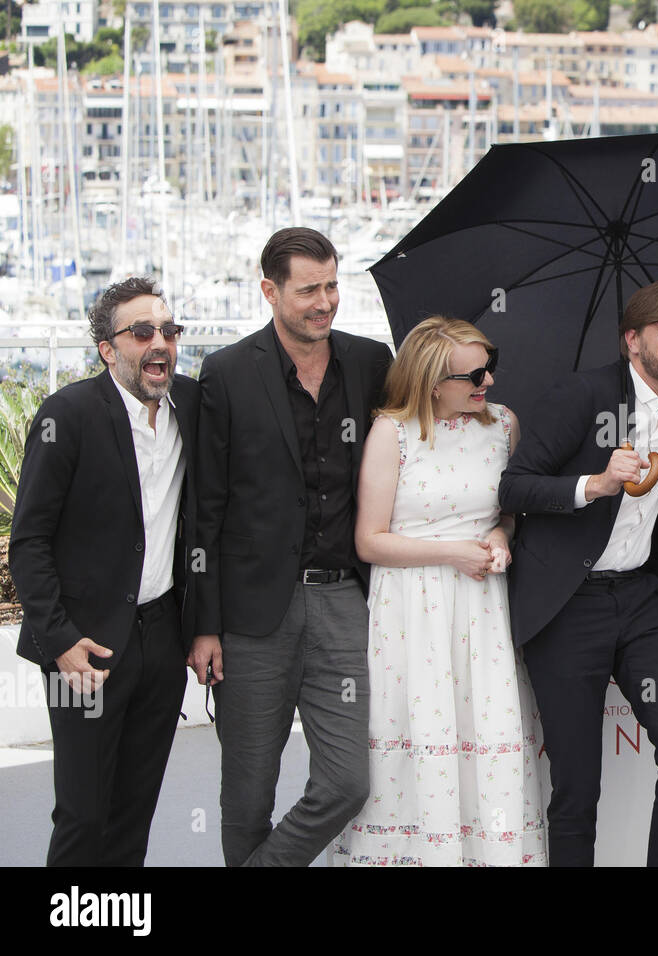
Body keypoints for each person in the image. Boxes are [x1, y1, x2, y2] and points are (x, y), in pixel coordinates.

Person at [189, 227, 393, 867]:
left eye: (333, 286)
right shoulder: (226, 373)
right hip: (252, 619)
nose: (326, 302)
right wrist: (204, 626)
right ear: (269, 291)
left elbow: (411, 453)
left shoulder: (370, 362)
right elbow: (205, 510)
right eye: (310, 290)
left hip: (343, 605)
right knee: (247, 795)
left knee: (347, 783)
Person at [497, 279, 658, 867]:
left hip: (640, 600)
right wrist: (595, 484)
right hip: (568, 605)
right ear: (631, 339)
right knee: (577, 789)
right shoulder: (583, 395)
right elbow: (513, 486)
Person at [332, 317, 546, 866]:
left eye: (490, 366)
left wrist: (499, 535)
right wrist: (453, 552)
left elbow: (511, 513)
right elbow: (369, 541)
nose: (488, 382)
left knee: (485, 740)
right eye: (473, 374)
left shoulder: (504, 424)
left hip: (485, 614)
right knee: (414, 740)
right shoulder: (392, 431)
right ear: (431, 381)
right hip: (412, 614)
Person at [11, 276, 197, 866]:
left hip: (161, 643)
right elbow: (29, 541)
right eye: (142, 332)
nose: (159, 343)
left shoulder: (191, 408)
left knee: (133, 811)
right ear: (108, 349)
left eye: (169, 330)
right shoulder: (66, 415)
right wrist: (59, 641)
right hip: (82, 647)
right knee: (83, 815)